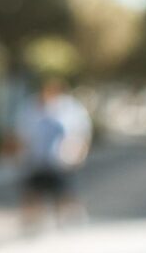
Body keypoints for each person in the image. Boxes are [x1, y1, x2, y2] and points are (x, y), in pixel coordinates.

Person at [18, 75, 91, 233]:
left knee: (62, 194)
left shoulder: (71, 109)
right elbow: (22, 133)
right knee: (33, 193)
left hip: (61, 161)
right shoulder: (31, 107)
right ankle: (31, 227)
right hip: (36, 160)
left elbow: (81, 133)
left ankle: (67, 223)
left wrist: (79, 153)